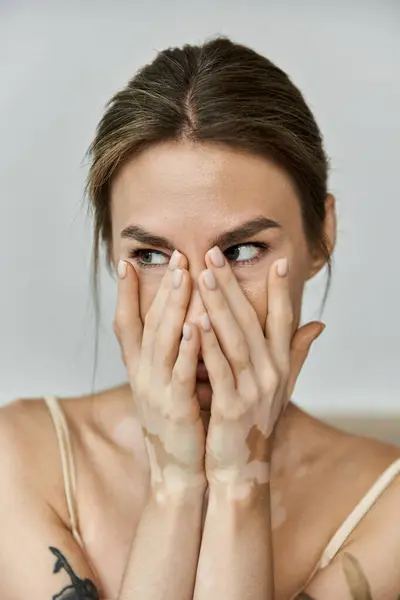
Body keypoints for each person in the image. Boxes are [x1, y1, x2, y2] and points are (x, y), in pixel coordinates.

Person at [1, 34, 399, 600]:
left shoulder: (389, 509)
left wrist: (241, 482)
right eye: (152, 257)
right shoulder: (19, 459)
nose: (198, 317)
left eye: (241, 252)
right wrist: (175, 485)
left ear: (321, 236)